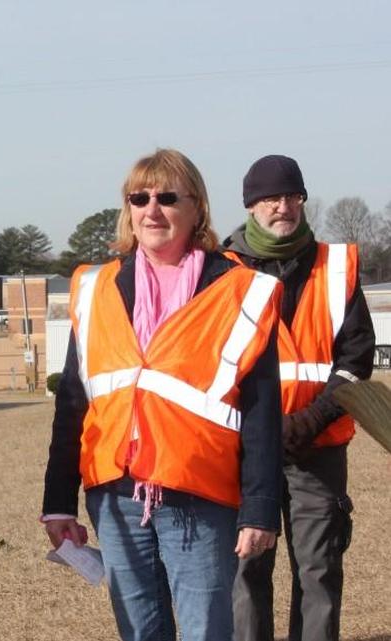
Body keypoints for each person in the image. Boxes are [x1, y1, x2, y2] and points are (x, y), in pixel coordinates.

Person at [41, 148, 284, 641]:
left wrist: (260, 509)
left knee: (206, 632)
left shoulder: (242, 290)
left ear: (198, 209)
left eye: (168, 197)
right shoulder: (95, 287)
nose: (152, 209)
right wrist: (58, 502)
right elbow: (73, 402)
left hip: (199, 494)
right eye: (140, 197)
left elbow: (262, 414)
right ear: (128, 209)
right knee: (140, 632)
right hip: (116, 494)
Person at [227, 155, 373, 641]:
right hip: (244, 453)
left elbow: (355, 361)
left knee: (319, 571)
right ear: (251, 205)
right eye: (270, 197)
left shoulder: (337, 266)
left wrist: (308, 421)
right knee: (246, 572)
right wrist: (261, 431)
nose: (283, 206)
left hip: (318, 449)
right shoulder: (221, 269)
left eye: (292, 196)